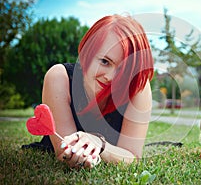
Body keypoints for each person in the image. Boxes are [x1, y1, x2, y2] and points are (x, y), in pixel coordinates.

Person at [23, 14, 154, 169]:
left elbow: (132, 156)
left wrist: (99, 143)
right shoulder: (59, 77)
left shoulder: (138, 86)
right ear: (87, 53)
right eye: (105, 62)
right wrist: (79, 154)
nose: (111, 77)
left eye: (123, 69)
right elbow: (64, 152)